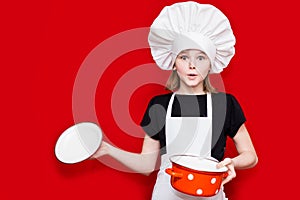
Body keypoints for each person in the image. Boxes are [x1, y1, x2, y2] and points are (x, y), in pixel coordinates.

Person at [91, 2, 258, 199]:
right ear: (173, 63)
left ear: (211, 64)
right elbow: (146, 165)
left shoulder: (225, 104)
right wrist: (107, 150)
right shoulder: (159, 105)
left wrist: (232, 162)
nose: (192, 65)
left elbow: (251, 156)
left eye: (201, 58)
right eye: (184, 57)